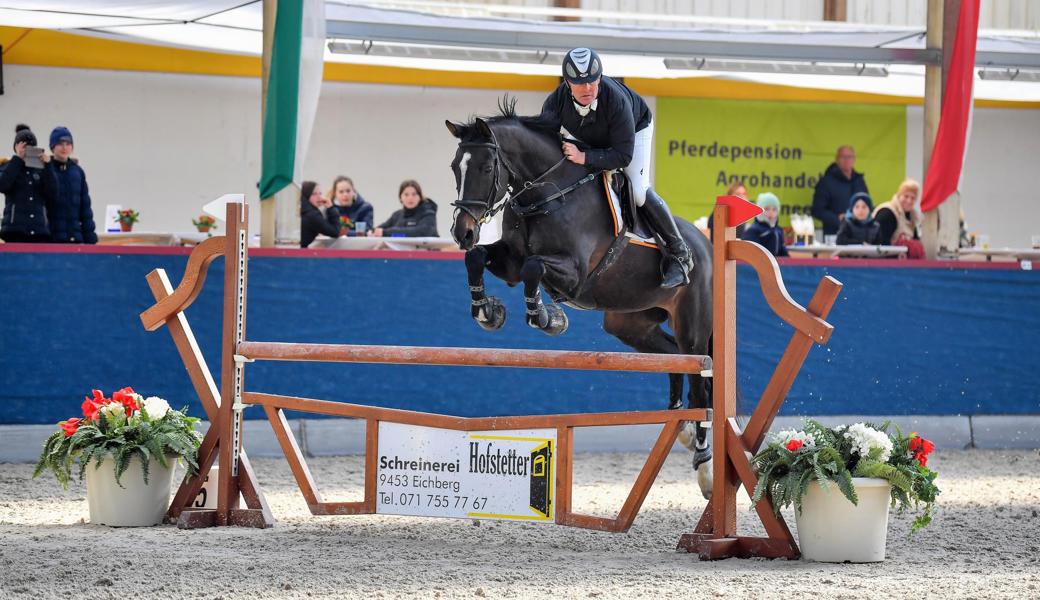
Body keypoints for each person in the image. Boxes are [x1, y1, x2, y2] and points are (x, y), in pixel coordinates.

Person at [538, 47, 691, 288]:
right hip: (595, 135)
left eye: (592, 80)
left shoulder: (616, 101)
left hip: (633, 132)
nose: (587, 88)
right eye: (579, 82)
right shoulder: (555, 103)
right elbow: (543, 143)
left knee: (638, 189)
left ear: (600, 77)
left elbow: (622, 156)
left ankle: (680, 254)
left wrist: (584, 157)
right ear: (567, 82)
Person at [0, 124, 57, 243]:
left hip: (39, 230)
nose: (27, 150)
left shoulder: (42, 169)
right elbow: (3, 185)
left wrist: (48, 166)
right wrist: (17, 159)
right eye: (24, 146)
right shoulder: (8, 166)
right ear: (16, 147)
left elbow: (53, 194)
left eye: (31, 147)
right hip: (14, 230)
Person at [45, 126, 97, 244]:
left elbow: (85, 209)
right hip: (51, 240)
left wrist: (90, 240)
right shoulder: (45, 170)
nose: (64, 148)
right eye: (60, 143)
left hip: (75, 239)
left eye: (68, 143)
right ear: (53, 147)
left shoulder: (78, 171)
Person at [812, 145, 869, 236]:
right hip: (834, 236)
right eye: (843, 157)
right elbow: (817, 210)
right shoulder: (826, 182)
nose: (847, 160)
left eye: (850, 157)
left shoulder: (859, 181)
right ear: (837, 159)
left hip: (859, 235)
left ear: (854, 160)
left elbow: (867, 204)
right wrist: (838, 219)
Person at [873, 178, 924, 258]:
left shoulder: (912, 217)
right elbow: (880, 244)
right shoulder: (887, 212)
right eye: (906, 196)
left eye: (913, 198)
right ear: (899, 195)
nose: (909, 201)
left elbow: (915, 241)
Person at [370, 179, 438, 238]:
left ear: (420, 197)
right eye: (406, 194)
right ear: (400, 198)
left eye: (414, 194)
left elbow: (421, 232)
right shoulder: (397, 215)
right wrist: (372, 231)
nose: (410, 198)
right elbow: (381, 228)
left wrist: (385, 233)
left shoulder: (428, 213)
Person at [741, 192, 789, 258]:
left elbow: (783, 253)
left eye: (774, 209)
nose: (771, 212)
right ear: (760, 211)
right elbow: (750, 253)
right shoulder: (753, 230)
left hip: (775, 266)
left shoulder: (778, 230)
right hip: (759, 265)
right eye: (767, 209)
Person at [299, 180, 340, 248]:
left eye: (320, 193)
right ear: (306, 195)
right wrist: (331, 208)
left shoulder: (301, 210)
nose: (319, 197)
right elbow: (335, 232)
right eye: (314, 194)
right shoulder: (312, 214)